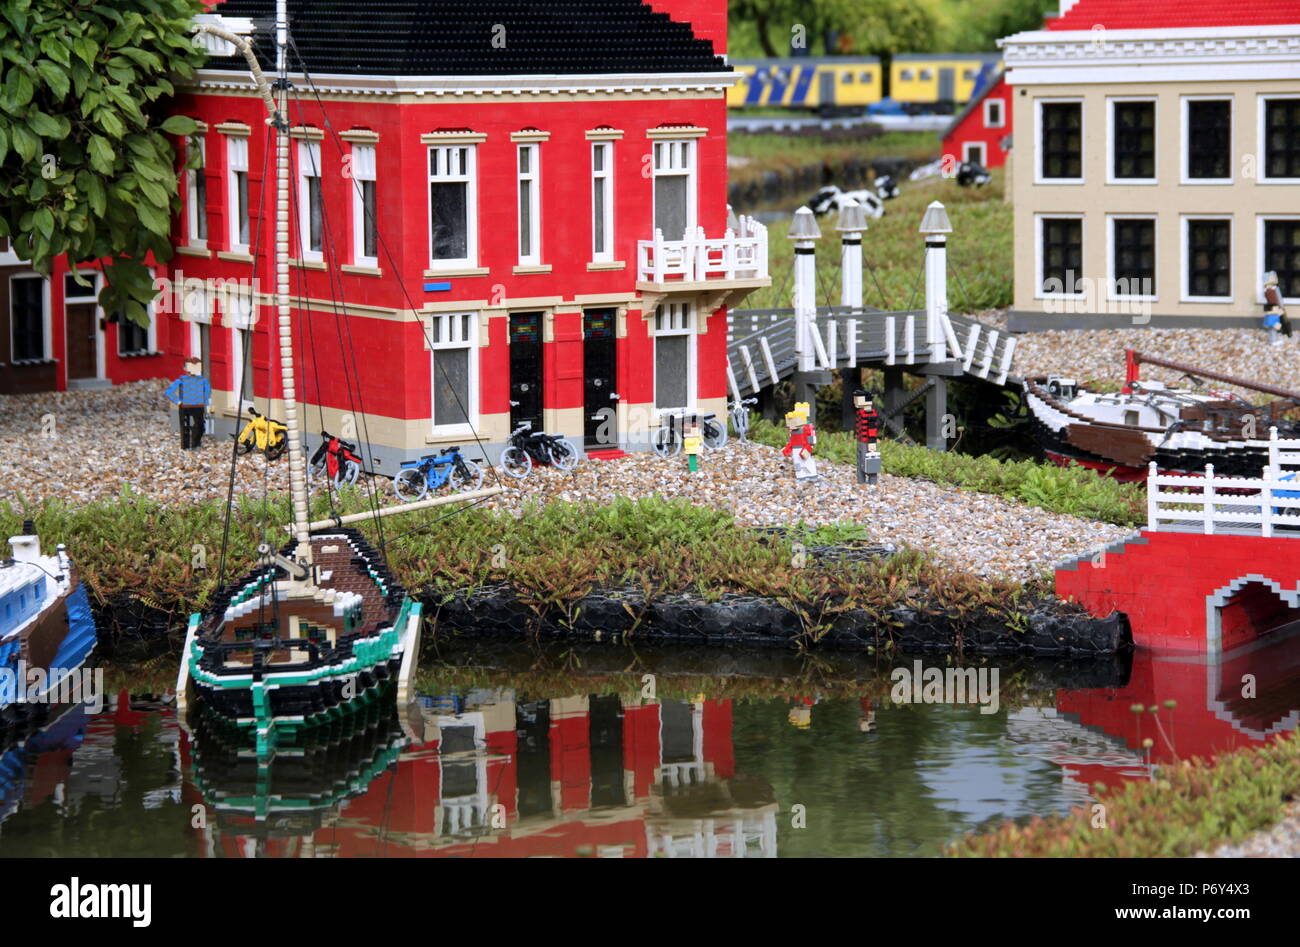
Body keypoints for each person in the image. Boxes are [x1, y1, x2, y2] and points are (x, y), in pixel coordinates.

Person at [164, 357, 212, 450]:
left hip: (198, 405)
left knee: (200, 425)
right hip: (185, 406)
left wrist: (208, 405)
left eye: (197, 366)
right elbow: (169, 392)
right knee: (185, 426)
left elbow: (207, 393)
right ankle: (185, 446)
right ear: (186, 368)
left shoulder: (203, 380)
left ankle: (195, 443)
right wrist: (178, 401)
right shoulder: (181, 380)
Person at [781, 402, 818, 483]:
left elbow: (812, 439)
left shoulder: (808, 427)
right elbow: (791, 441)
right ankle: (800, 476)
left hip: (804, 447)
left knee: (808, 461)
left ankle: (812, 474)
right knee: (797, 463)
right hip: (795, 449)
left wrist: (809, 448)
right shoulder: (792, 430)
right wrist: (787, 448)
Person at [853, 388, 882, 486]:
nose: (855, 401)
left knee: (870, 460)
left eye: (857, 399)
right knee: (860, 460)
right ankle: (861, 480)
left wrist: (872, 442)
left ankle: (872, 481)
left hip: (867, 442)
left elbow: (872, 430)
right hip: (860, 441)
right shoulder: (860, 413)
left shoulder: (870, 414)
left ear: (866, 400)